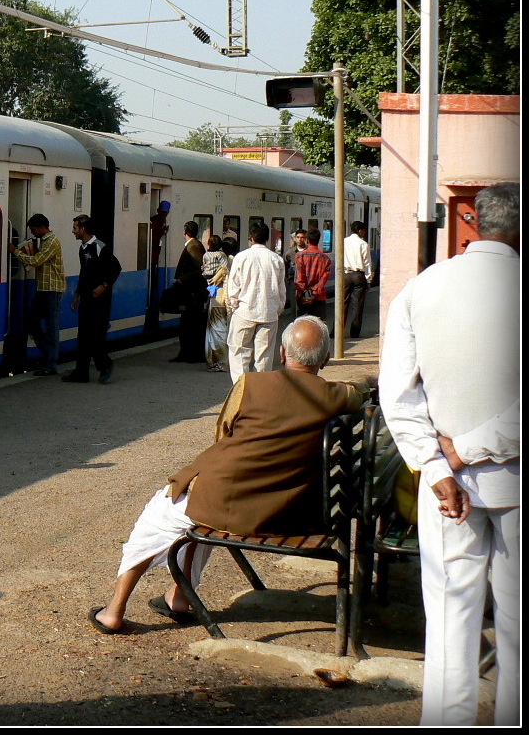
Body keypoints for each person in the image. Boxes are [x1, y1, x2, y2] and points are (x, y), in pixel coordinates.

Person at [87, 316, 372, 633]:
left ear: (281, 353)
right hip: (286, 515)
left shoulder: (251, 385)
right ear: (325, 359)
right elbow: (360, 391)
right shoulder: (338, 397)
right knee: (201, 509)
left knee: (163, 514)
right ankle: (179, 597)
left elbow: (223, 433)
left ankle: (114, 610)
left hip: (230, 506)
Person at [378, 182, 519, 726]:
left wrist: (438, 464)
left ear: (473, 225)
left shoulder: (420, 289)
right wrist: (471, 449)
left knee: (449, 614)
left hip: (446, 491)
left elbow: (398, 393)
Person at [224, 220, 287, 383]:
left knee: (239, 353)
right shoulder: (277, 259)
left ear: (250, 238)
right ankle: (261, 391)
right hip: (268, 314)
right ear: (266, 239)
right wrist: (276, 309)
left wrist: (233, 308)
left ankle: (242, 390)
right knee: (264, 356)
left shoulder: (241, 257)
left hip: (244, 312)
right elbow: (281, 290)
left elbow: (233, 288)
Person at [64, 214, 121, 384]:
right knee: (83, 335)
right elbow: (85, 273)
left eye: (75, 228)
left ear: (83, 229)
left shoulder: (100, 247)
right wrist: (77, 294)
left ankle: (105, 365)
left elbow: (115, 268)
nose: (73, 231)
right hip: (87, 297)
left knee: (96, 335)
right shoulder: (83, 248)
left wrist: (103, 286)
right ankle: (81, 373)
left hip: (100, 299)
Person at [8, 213, 66, 376]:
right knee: (34, 323)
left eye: (33, 230)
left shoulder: (52, 242)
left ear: (41, 227)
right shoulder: (45, 242)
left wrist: (15, 251)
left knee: (50, 326)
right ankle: (49, 356)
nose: (33, 233)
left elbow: (37, 261)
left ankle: (51, 363)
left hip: (52, 289)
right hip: (43, 288)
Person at [170, 221, 206, 364]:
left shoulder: (193, 247)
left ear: (185, 232)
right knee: (188, 324)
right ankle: (186, 353)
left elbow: (199, 269)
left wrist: (182, 279)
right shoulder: (194, 245)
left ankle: (191, 354)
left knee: (189, 324)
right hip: (192, 292)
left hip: (192, 293)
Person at [201, 236, 230, 373]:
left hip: (214, 295)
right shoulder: (223, 257)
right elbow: (225, 271)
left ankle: (220, 361)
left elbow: (205, 272)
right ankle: (221, 360)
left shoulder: (206, 256)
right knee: (220, 328)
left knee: (215, 328)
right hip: (221, 294)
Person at [342, 221, 374, 339]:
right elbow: (367, 263)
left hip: (345, 275)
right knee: (357, 305)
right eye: (363, 230)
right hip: (358, 276)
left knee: (342, 303)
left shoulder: (343, 242)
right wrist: (369, 279)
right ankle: (354, 332)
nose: (364, 232)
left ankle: (337, 331)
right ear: (360, 230)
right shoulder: (363, 244)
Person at [294, 230, 332, 322]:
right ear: (318, 240)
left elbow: (299, 279)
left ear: (306, 240)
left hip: (302, 297)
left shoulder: (300, 256)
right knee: (319, 326)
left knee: (302, 326)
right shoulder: (326, 258)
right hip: (319, 298)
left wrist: (305, 295)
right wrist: (313, 294)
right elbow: (323, 280)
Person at [282, 228, 308, 323]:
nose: (300, 240)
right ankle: (295, 324)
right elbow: (285, 263)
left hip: (307, 283)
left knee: (306, 305)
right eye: (298, 237)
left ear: (306, 239)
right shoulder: (290, 252)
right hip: (294, 282)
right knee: (294, 306)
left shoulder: (309, 251)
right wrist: (286, 276)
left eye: (302, 237)